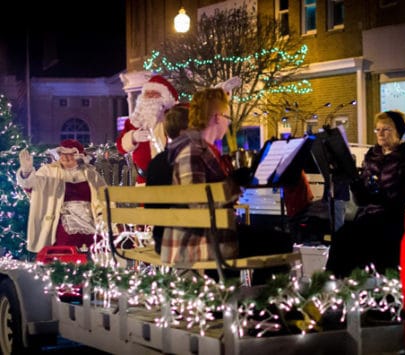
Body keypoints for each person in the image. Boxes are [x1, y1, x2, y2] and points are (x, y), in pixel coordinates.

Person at [161, 88, 293, 282]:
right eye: (226, 116)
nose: (228, 122)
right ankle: (262, 306)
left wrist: (235, 182)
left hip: (208, 234)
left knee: (271, 237)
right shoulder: (193, 151)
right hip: (202, 240)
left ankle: (243, 300)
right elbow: (199, 205)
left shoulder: (198, 148)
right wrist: (233, 184)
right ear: (216, 117)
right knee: (280, 240)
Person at [326, 110, 405, 278]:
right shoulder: (372, 156)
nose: (381, 134)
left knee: (371, 237)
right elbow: (361, 199)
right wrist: (353, 180)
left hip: (393, 218)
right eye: (378, 129)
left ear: (399, 131)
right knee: (342, 236)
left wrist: (379, 195)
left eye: (386, 129)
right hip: (368, 215)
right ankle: (334, 286)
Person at [17, 139, 107, 253]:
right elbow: (33, 187)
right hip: (63, 218)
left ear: (80, 156)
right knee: (68, 243)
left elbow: (105, 198)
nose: (65, 157)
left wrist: (108, 222)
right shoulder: (49, 171)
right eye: (63, 153)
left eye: (71, 154)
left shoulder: (91, 174)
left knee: (98, 245)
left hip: (89, 219)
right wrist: (27, 172)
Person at [116, 74, 179, 185]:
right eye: (147, 94)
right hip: (143, 181)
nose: (149, 97)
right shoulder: (133, 122)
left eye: (154, 94)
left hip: (171, 179)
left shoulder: (174, 117)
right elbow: (120, 147)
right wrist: (133, 137)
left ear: (165, 98)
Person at [146, 103, 189, 253]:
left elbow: (151, 208)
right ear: (186, 130)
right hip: (186, 241)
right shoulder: (190, 158)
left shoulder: (156, 162)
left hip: (161, 239)